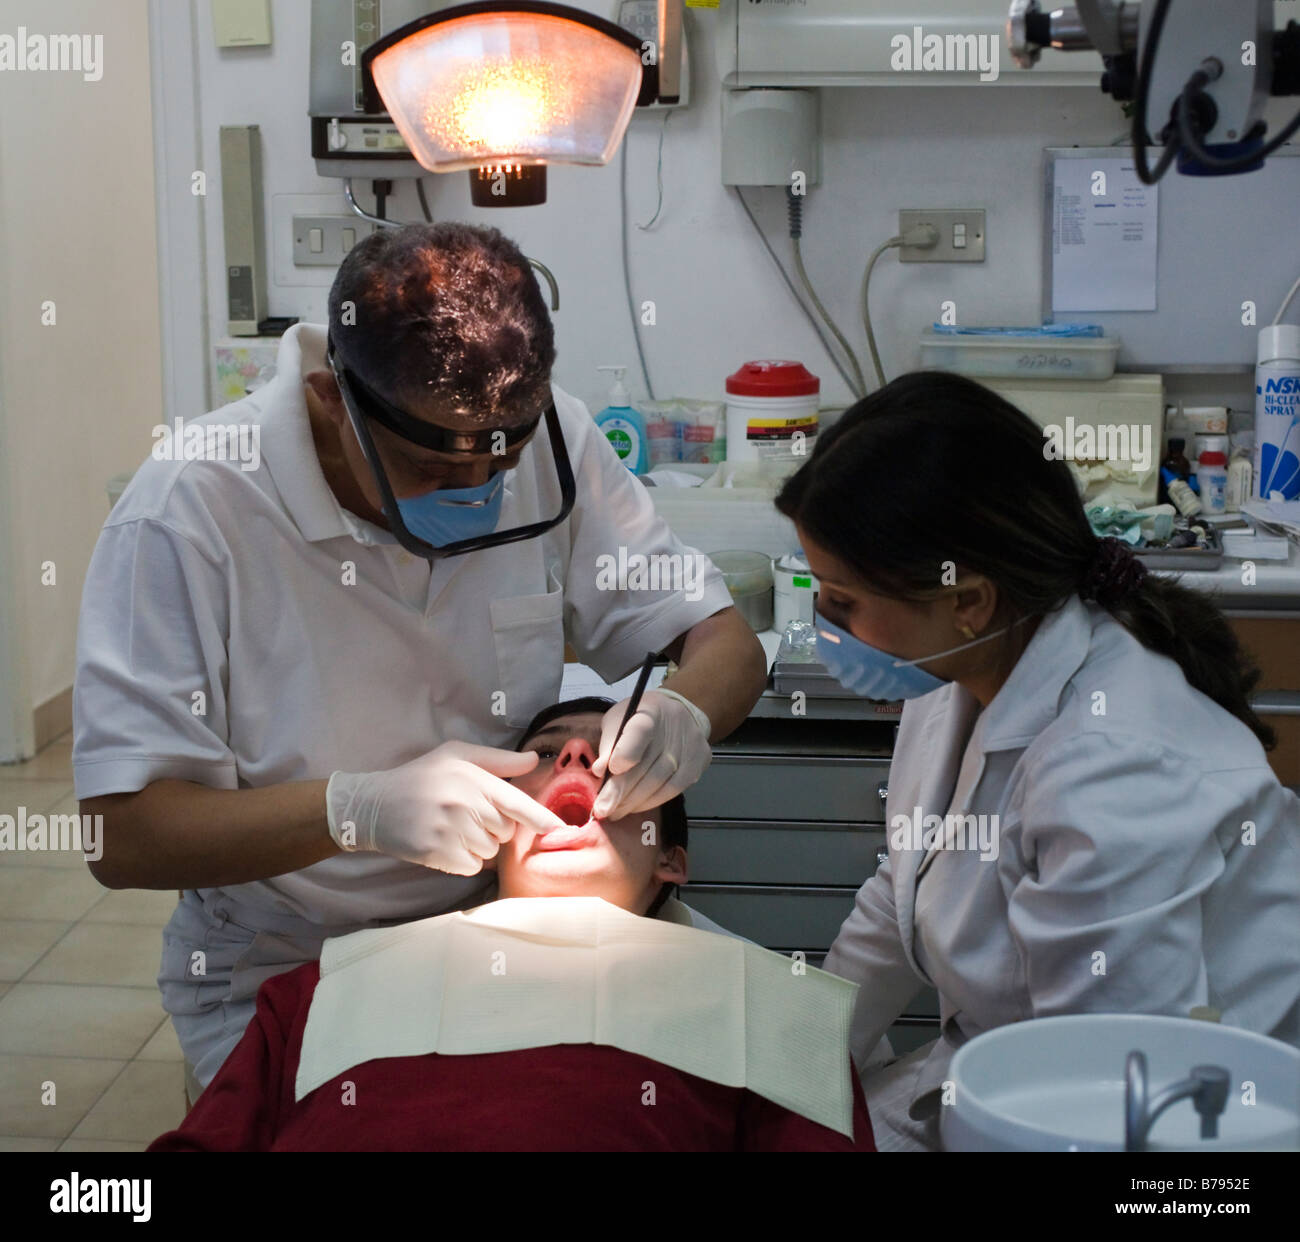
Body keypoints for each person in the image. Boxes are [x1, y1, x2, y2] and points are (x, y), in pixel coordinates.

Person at [74, 222, 767, 1095]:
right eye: (429, 472)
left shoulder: (557, 443)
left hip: (500, 933)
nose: (476, 494)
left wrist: (688, 712)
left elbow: (723, 641)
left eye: (501, 463)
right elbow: (120, 836)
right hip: (289, 965)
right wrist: (354, 809)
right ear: (333, 399)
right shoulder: (188, 511)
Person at [774, 370, 1300, 1152]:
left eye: (842, 600)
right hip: (1002, 1073)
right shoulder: (959, 669)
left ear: (968, 599)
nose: (824, 623)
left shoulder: (1109, 774)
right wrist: (792, 1065)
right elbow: (902, 893)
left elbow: (1108, 1098)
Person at [148, 700, 875, 1152]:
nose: (577, 756)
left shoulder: (771, 1006)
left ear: (672, 861)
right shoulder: (324, 988)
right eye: (550, 748)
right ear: (484, 831)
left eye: (620, 759)